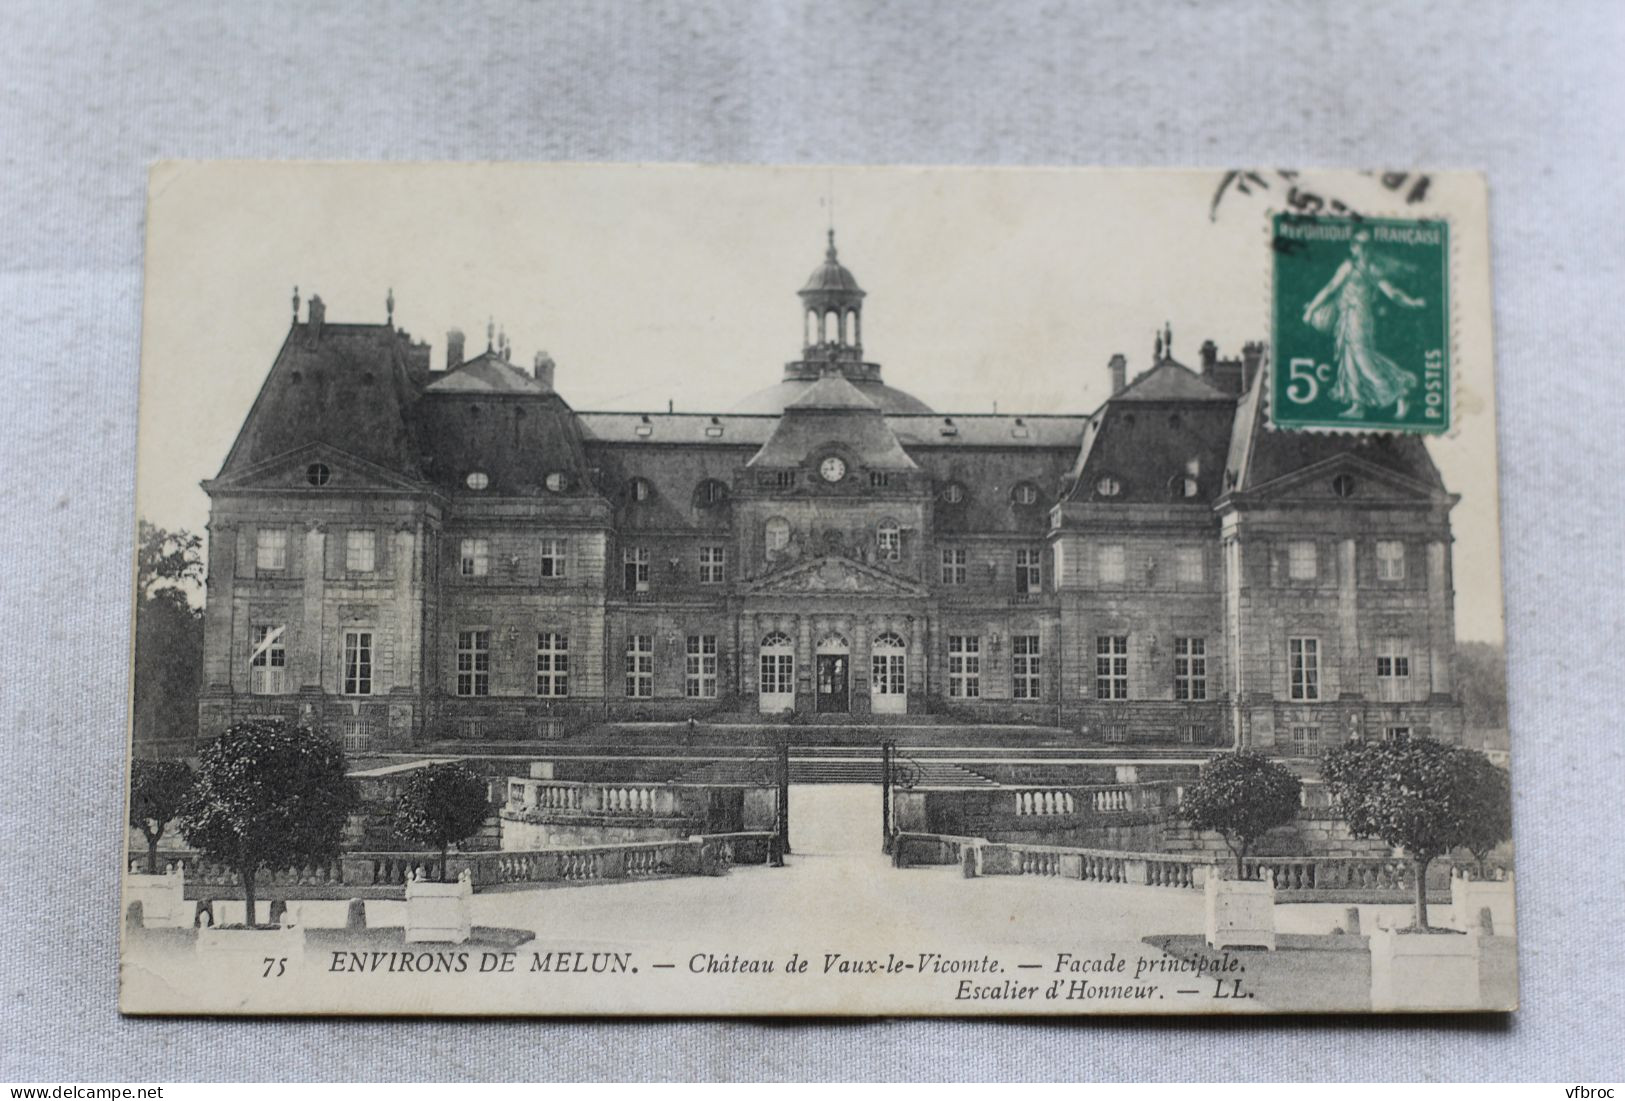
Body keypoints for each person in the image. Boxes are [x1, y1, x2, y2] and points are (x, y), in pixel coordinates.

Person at [1302, 228, 1426, 418]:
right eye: (1361, 245)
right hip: (1346, 318)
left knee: (1364, 360)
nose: (1366, 249)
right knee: (1349, 360)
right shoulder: (1347, 267)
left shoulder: (1373, 270)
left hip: (1360, 318)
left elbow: (1392, 293)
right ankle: (1357, 405)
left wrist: (1412, 302)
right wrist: (1311, 309)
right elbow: (1330, 289)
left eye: (1369, 245)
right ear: (1353, 247)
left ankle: (1400, 393)